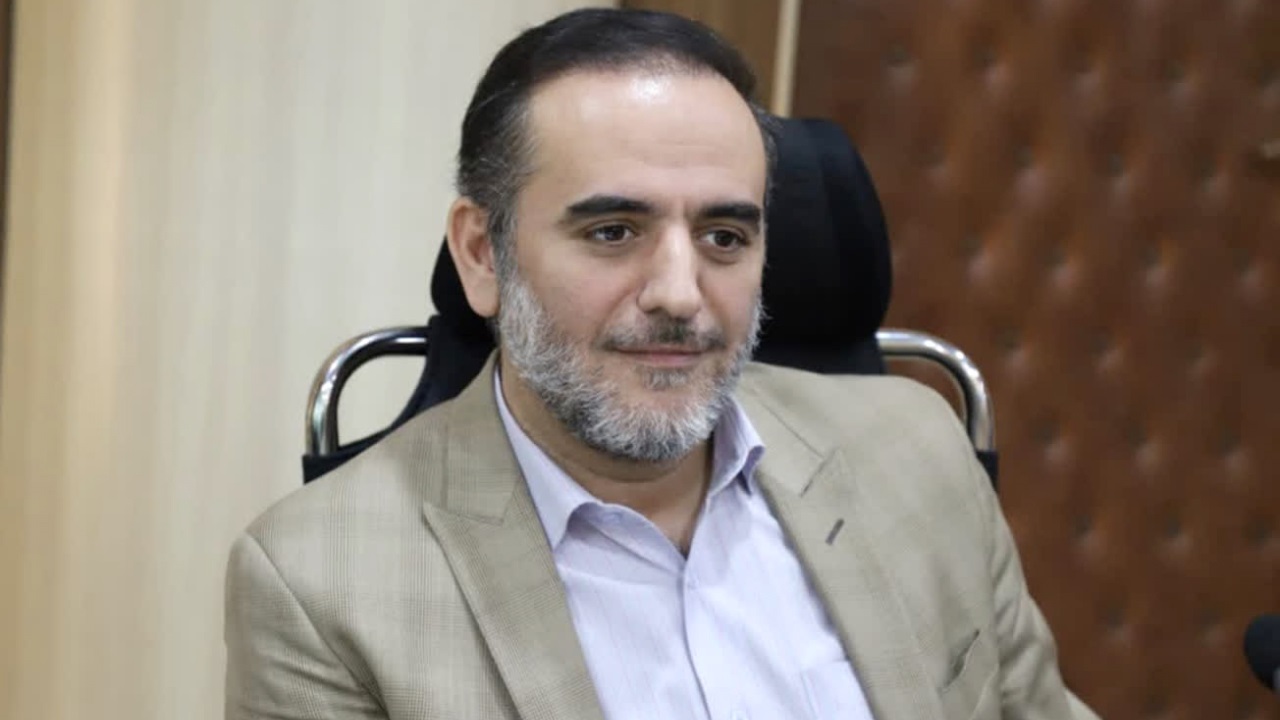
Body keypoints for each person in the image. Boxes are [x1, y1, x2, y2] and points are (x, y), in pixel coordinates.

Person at [224, 8, 1102, 720]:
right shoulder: (320, 582)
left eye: (725, 236)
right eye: (614, 231)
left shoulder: (917, 451)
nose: (681, 294)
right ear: (483, 255)